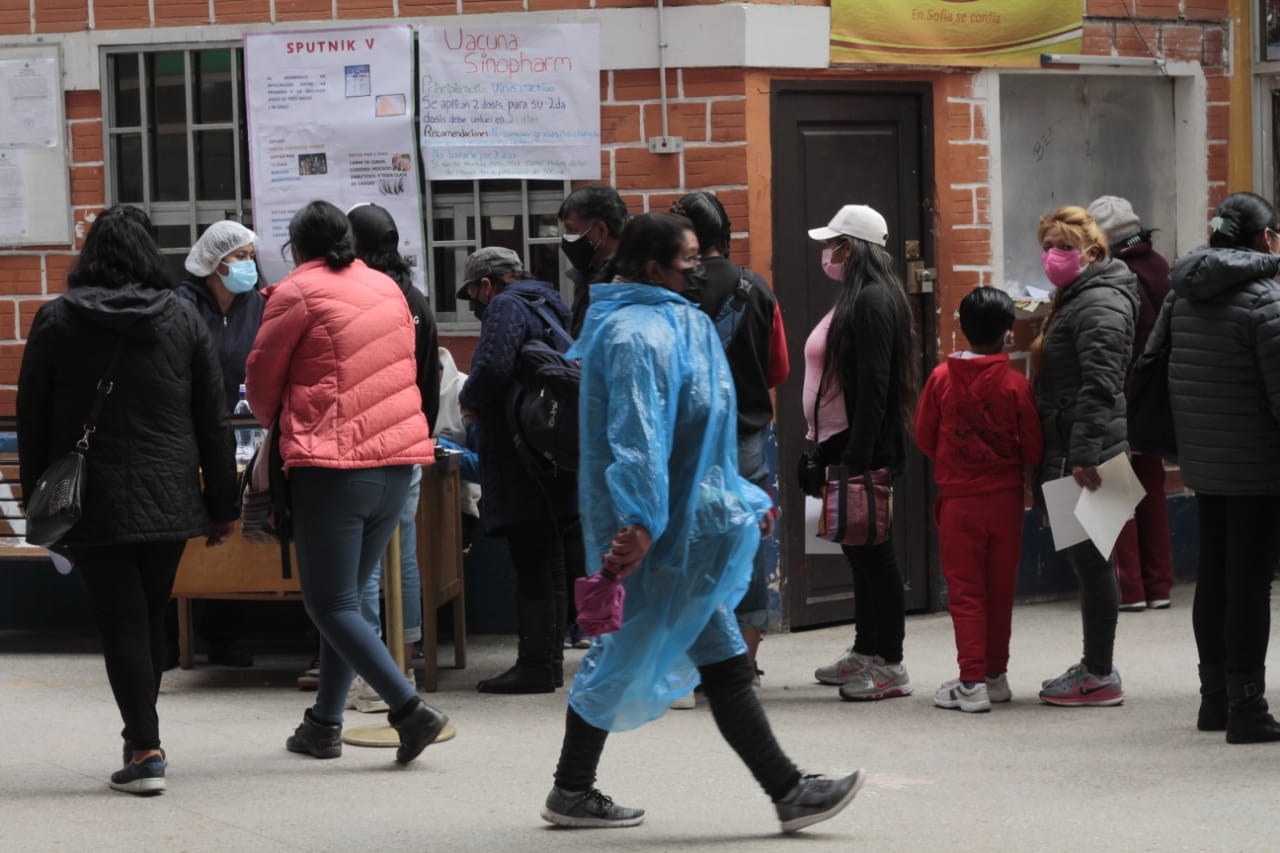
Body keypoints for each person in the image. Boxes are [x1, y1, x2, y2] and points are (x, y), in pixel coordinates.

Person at [542, 212, 862, 832]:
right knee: (655, 657)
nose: (698, 269)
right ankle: (787, 791)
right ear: (653, 267)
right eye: (687, 260)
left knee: (706, 659)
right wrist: (639, 521)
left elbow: (705, 434)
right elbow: (638, 437)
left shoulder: (677, 321)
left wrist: (735, 498)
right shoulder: (635, 334)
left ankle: (575, 788)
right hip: (652, 534)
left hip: (679, 525)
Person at [16, 205, 238, 795]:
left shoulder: (57, 319)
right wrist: (222, 506)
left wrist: (37, 500)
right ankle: (144, 740)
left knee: (122, 620)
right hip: (168, 497)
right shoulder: (183, 318)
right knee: (148, 613)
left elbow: (31, 418)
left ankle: (144, 748)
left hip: (91, 500)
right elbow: (213, 420)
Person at [245, 200, 446, 764]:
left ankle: (410, 711)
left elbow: (261, 383)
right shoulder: (388, 289)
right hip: (396, 463)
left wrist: (282, 421)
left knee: (330, 604)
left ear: (296, 248)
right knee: (347, 602)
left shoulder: (296, 292)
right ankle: (323, 724)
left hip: (333, 468)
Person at [1167, 192, 1280, 743]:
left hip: (1203, 459)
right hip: (1257, 465)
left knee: (1213, 574)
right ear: (1266, 238)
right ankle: (1247, 708)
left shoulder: (1184, 292)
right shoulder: (1267, 299)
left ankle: (1214, 701)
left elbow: (1155, 365)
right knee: (1249, 582)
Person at [669, 191, 789, 690]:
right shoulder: (756, 287)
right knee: (745, 545)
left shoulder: (675, 289)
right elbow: (778, 368)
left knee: (689, 548)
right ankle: (744, 665)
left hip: (688, 442)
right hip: (746, 439)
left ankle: (693, 665)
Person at [457, 247, 584, 693]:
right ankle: (548, 663)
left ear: (487, 284)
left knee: (531, 559)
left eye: (474, 294)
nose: (475, 305)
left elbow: (492, 368)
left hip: (519, 454)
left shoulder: (505, 306)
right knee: (550, 560)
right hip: (550, 448)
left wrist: (468, 399)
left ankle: (535, 664)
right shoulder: (550, 303)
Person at [806, 204, 918, 701]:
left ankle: (889, 662)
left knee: (875, 554)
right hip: (840, 440)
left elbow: (874, 388)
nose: (828, 254)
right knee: (856, 549)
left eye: (833, 245)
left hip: (863, 446)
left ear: (850, 248)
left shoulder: (873, 300)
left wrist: (858, 456)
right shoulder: (857, 296)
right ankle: (866, 648)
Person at [915, 286, 1043, 713]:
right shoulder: (1016, 385)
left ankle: (970, 681)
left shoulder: (940, 379)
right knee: (1000, 590)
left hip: (960, 501)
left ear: (962, 329)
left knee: (966, 592)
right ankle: (995, 676)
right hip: (1006, 502)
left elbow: (925, 436)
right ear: (1008, 333)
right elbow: (1033, 447)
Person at [1030, 205, 1137, 707]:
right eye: (1048, 246)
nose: (1053, 255)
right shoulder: (1079, 296)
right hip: (1075, 447)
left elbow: (1101, 384)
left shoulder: (1099, 303)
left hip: (1091, 455)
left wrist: (1083, 455)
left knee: (1094, 564)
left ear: (1092, 253)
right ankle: (1095, 665)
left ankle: (1098, 673)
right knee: (1088, 561)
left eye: (1064, 247)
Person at [343, 202, 442, 712]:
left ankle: (372, 675)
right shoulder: (417, 300)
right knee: (401, 555)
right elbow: (429, 380)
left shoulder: (362, 298)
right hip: (408, 441)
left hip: (364, 445)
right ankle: (403, 663)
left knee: (361, 565)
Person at [170, 219, 265, 670]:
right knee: (185, 535)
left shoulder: (259, 306)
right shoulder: (182, 306)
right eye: (239, 257)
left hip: (246, 431)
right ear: (213, 264)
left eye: (251, 256)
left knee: (234, 529)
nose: (249, 265)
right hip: (190, 432)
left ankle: (225, 636)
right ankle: (170, 636)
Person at [1087, 195, 1175, 612]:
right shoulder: (1159, 266)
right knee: (1151, 492)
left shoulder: (1111, 276)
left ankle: (1129, 590)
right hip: (1156, 400)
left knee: (1113, 491)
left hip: (1119, 398)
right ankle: (1160, 586)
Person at [558, 184, 628, 337]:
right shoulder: (589, 274)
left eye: (571, 229)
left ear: (602, 230)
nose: (566, 237)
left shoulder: (625, 282)